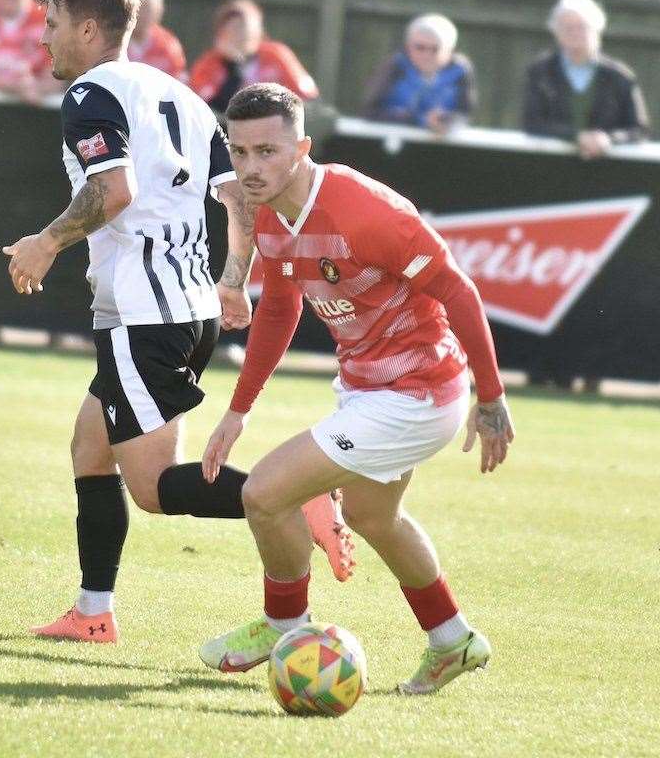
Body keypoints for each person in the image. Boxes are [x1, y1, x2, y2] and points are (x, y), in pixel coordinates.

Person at [2, 0, 354, 644]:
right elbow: (236, 197)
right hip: (186, 308)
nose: (42, 40)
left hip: (144, 315)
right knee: (89, 446)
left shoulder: (89, 95)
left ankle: (296, 496)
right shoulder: (181, 95)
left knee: (156, 489)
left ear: (88, 27)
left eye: (50, 25)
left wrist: (45, 242)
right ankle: (93, 611)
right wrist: (229, 280)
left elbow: (114, 191)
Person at [198, 83, 515, 695]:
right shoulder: (269, 214)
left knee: (264, 494)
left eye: (267, 151)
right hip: (369, 389)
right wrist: (237, 411)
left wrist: (493, 397)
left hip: (417, 393)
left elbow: (459, 292)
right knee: (375, 516)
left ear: (303, 148)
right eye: (239, 152)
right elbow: (281, 308)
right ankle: (453, 639)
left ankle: (282, 623)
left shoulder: (367, 212)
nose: (251, 168)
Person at [522, 0, 649, 159]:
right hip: (548, 167)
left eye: (582, 26)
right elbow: (532, 123)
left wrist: (608, 139)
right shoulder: (540, 72)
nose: (575, 33)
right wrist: (577, 137)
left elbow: (639, 130)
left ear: (597, 29)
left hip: (607, 170)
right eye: (567, 27)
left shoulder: (620, 77)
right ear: (556, 32)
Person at [189, 0, 318, 113]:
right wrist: (234, 69)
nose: (240, 34)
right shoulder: (208, 65)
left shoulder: (276, 55)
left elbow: (307, 97)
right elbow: (210, 109)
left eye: (244, 27)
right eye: (233, 28)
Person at [362, 13, 476, 134]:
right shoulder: (394, 66)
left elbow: (464, 116)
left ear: (450, 50)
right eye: (420, 47)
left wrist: (446, 121)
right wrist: (417, 120)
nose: (426, 55)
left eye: (435, 49)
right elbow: (369, 112)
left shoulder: (460, 71)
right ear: (408, 47)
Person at [126, 0, 186, 81]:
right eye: (139, 6)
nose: (142, 13)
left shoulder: (169, 46)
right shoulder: (113, 38)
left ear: (160, 9)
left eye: (148, 7)